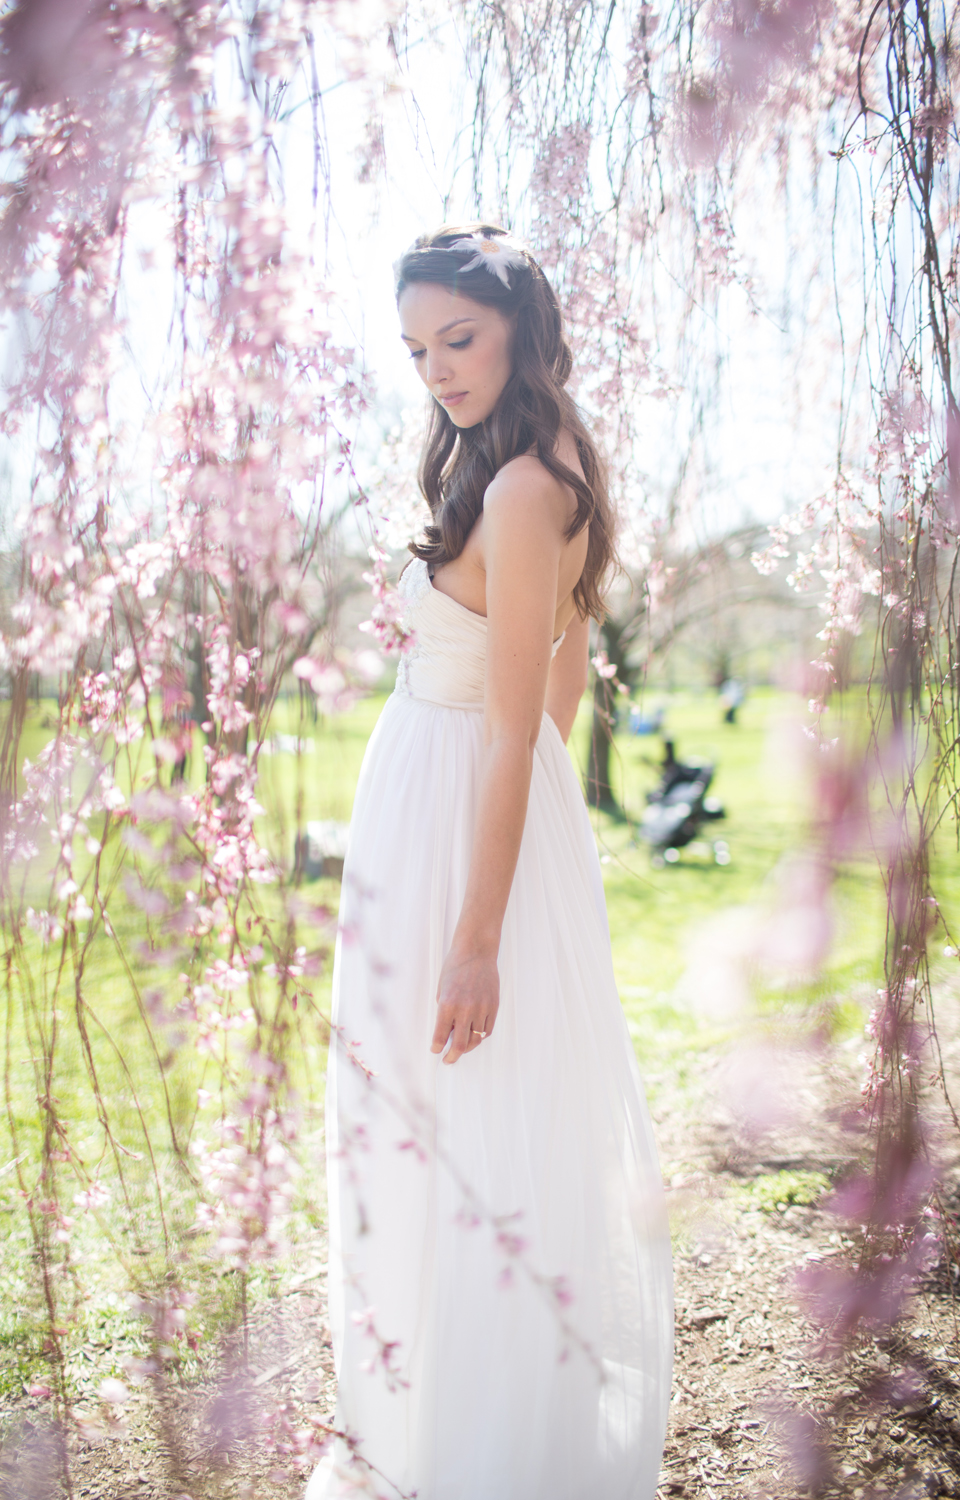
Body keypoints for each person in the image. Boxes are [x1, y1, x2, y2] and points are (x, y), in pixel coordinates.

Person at [306, 224, 673, 1500]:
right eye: (415, 349)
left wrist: (482, 928)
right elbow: (564, 667)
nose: (437, 370)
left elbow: (520, 718)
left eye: (458, 339)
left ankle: (484, 1444)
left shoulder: (523, 486)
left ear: (519, 323)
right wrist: (537, 832)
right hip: (443, 808)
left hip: (461, 816)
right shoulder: (524, 459)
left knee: (472, 1121)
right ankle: (444, 1412)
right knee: (447, 1120)